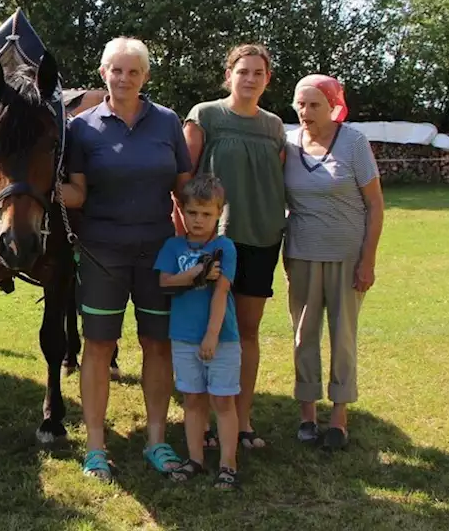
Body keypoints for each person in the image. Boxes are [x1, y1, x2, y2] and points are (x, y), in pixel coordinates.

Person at [61, 37, 193, 482]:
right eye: (116, 70)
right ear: (103, 74)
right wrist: (40, 188)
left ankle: (157, 440)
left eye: (133, 71)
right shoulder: (81, 128)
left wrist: (204, 237)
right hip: (102, 252)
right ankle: (96, 447)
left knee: (158, 343)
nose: (124, 78)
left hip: (158, 251)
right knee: (98, 347)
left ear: (145, 77)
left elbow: (184, 188)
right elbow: (77, 193)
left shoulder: (168, 122)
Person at [183, 43, 286, 451]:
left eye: (258, 73)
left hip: (261, 239)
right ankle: (204, 419)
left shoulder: (275, 126)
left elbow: (274, 180)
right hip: (213, 242)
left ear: (267, 79)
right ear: (229, 75)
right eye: (242, 71)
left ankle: (242, 420)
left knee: (246, 333)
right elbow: (183, 179)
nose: (250, 79)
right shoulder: (205, 115)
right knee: (207, 329)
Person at [283, 74, 384, 451]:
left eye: (314, 105)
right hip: (302, 254)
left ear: (333, 106)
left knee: (343, 336)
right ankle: (307, 415)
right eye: (300, 104)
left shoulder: (354, 142)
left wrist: (367, 260)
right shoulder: (288, 144)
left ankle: (339, 418)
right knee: (303, 335)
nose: (306, 112)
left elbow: (375, 204)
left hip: (347, 256)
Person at [156, 174, 242, 491]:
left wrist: (211, 336)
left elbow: (221, 293)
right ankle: (195, 459)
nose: (198, 220)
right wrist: (193, 274)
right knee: (192, 399)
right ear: (182, 210)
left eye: (206, 214)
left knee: (222, 401)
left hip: (221, 339)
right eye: (192, 213)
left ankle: (228, 464)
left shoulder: (224, 247)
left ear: (219, 213)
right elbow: (164, 282)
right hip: (182, 336)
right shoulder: (173, 246)